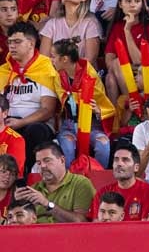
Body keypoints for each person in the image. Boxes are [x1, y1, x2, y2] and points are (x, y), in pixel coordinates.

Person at [49, 38, 114, 167]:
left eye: (53, 56)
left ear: (64, 59)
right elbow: (61, 103)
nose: (51, 60)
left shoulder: (90, 75)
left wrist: (98, 110)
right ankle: (69, 182)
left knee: (103, 144)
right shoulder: (57, 76)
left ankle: (98, 179)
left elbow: (103, 104)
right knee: (67, 148)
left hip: (92, 125)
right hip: (69, 125)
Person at [0, 21, 60, 156]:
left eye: (17, 42)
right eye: (9, 42)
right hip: (6, 121)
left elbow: (48, 110)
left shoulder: (45, 68)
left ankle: (27, 175)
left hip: (36, 123)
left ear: (31, 44)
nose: (12, 46)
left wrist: (21, 122)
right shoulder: (3, 70)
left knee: (35, 131)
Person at [13, 142, 93, 223]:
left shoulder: (81, 183)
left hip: (67, 234)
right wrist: (18, 204)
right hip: (35, 234)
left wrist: (47, 204)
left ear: (62, 160)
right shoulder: (34, 189)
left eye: (47, 160)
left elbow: (81, 222)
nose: (42, 166)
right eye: (39, 163)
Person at [103, 0, 149, 108]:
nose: (133, 4)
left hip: (143, 72)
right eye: (128, 1)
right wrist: (125, 67)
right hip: (122, 72)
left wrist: (127, 30)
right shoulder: (116, 27)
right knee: (110, 77)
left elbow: (140, 62)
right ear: (120, 4)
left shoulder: (147, 27)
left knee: (118, 63)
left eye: (137, 1)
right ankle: (117, 117)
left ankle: (133, 105)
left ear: (142, 5)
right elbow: (109, 61)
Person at [89, 140, 149, 221]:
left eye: (125, 160)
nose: (119, 164)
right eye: (116, 160)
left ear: (136, 167)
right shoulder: (102, 192)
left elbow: (146, 225)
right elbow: (96, 223)